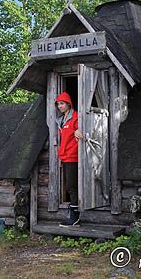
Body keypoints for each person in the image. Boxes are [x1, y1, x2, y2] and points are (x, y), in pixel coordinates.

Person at [54, 91, 83, 227]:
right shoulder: (62, 119)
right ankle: (72, 215)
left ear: (68, 104)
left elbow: (82, 132)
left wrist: (79, 130)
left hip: (73, 156)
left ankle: (75, 217)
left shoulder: (76, 117)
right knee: (69, 186)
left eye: (62, 103)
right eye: (58, 104)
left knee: (72, 186)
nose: (60, 106)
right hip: (65, 156)